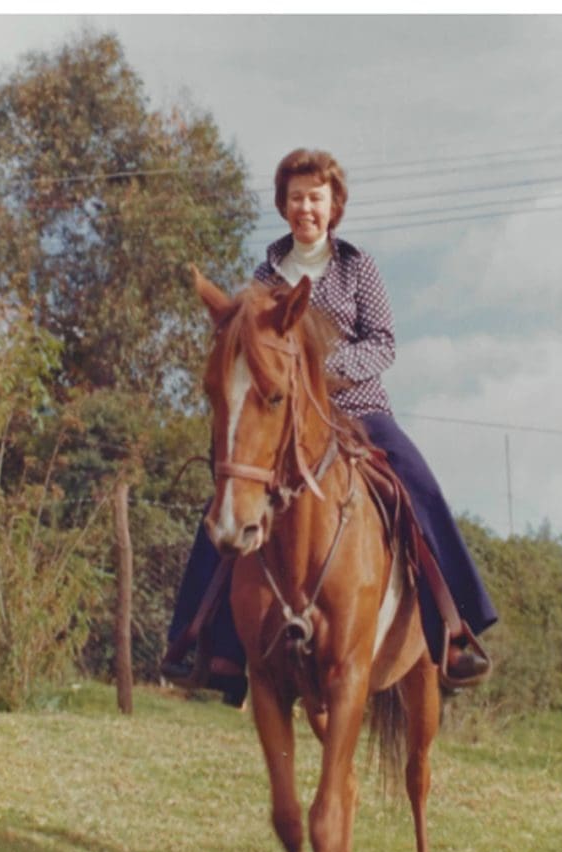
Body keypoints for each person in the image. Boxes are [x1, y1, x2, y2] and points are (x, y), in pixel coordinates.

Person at [164, 148, 497, 707]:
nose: (305, 207)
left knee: (417, 484)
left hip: (359, 410)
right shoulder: (265, 274)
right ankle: (205, 641)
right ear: (283, 205)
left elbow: (383, 341)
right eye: (296, 197)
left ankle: (453, 624)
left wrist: (329, 375)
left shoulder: (356, 265)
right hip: (285, 419)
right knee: (229, 496)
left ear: (333, 204)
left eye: (315, 197)